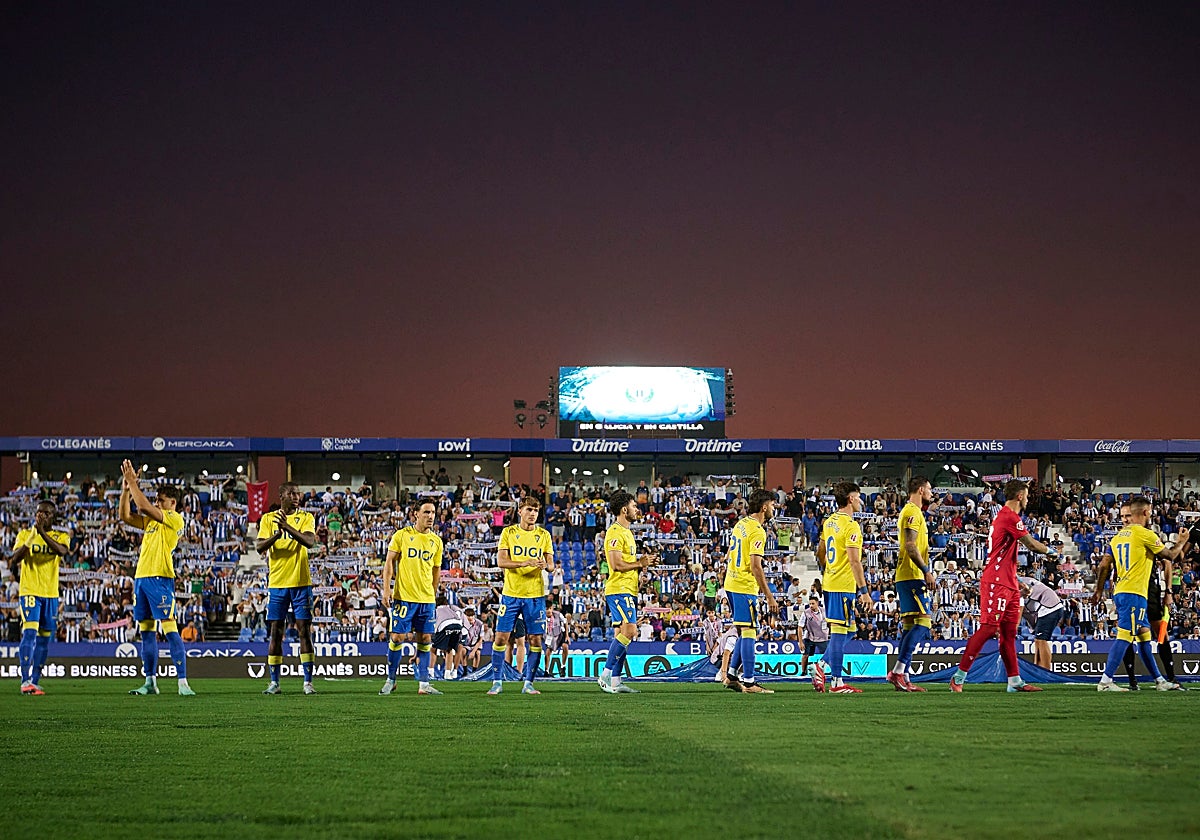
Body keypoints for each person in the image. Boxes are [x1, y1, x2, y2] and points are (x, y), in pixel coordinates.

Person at [950, 479, 1058, 693]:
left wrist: (1017, 582)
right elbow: (1030, 543)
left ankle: (1014, 681)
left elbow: (1004, 555)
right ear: (1019, 496)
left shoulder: (1006, 517)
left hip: (1008, 583)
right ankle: (959, 676)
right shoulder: (1009, 516)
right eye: (1026, 495)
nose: (1028, 499)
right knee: (989, 628)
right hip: (995, 582)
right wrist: (1051, 552)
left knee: (1009, 634)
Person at [1092, 496, 1188, 692]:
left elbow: (1104, 565)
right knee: (1125, 636)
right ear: (1145, 512)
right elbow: (1169, 556)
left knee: (1144, 637)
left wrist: (1099, 589)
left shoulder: (1118, 536)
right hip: (1134, 593)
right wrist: (1181, 542)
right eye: (1150, 511)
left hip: (1122, 591)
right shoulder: (1145, 534)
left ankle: (1160, 680)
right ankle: (1106, 681)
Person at [120, 461, 194, 696]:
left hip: (161, 577)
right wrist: (125, 490)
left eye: (160, 500)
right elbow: (125, 516)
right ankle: (150, 682)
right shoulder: (152, 521)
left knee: (170, 629)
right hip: (141, 577)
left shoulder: (175, 518)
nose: (156, 503)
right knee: (147, 632)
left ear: (172, 502)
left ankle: (183, 682)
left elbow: (141, 505)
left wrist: (133, 482)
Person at [256, 482, 318, 695]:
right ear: (281, 495)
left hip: (301, 583)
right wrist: (277, 534)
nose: (296, 496)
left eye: (297, 493)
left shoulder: (306, 517)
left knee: (304, 632)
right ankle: (274, 682)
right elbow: (259, 547)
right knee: (276, 632)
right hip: (277, 584)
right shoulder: (267, 519)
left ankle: (307, 683)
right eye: (291, 493)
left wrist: (288, 528)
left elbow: (310, 542)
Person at [488, 496, 554, 695]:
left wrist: (546, 566)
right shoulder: (509, 532)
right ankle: (497, 682)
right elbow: (501, 561)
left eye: (535, 510)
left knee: (535, 640)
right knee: (501, 638)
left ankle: (528, 683)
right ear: (520, 511)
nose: (532, 513)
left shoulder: (543, 535)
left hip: (535, 595)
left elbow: (551, 564)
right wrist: (523, 562)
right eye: (529, 509)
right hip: (511, 594)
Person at [379, 500, 444, 696]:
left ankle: (424, 684)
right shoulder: (402, 536)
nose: (430, 516)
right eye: (426, 512)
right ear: (415, 513)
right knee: (397, 637)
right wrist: (386, 589)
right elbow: (389, 562)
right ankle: (391, 679)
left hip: (426, 600)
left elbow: (436, 569)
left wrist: (433, 593)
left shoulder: (436, 541)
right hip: (404, 596)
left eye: (432, 512)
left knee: (425, 638)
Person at [597, 490, 659, 694]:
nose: (636, 509)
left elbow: (628, 564)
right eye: (633, 506)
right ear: (624, 509)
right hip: (619, 590)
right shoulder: (615, 532)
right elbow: (615, 564)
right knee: (631, 631)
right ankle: (605, 674)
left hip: (628, 589)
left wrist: (641, 569)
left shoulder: (627, 533)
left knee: (621, 634)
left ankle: (615, 681)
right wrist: (639, 562)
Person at [816, 482, 872, 694]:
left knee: (850, 630)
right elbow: (854, 561)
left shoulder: (830, 521)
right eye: (858, 497)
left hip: (831, 582)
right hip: (843, 585)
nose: (860, 501)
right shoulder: (851, 525)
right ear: (850, 499)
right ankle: (836, 683)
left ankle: (821, 665)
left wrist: (828, 570)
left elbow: (820, 551)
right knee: (839, 632)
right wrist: (865, 591)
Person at [721, 488, 779, 694]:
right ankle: (750, 682)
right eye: (772, 505)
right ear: (764, 507)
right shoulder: (757, 530)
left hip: (731, 582)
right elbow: (756, 566)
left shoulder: (741, 524)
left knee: (742, 630)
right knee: (749, 632)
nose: (774, 508)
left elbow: (731, 552)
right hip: (744, 586)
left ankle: (731, 675)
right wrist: (770, 596)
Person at [12, 500, 70, 695]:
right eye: (38, 512)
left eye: (45, 513)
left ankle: (34, 682)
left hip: (51, 593)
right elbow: (15, 559)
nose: (40, 516)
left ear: (52, 515)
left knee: (45, 639)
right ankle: (25, 680)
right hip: (30, 591)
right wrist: (32, 537)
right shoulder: (24, 534)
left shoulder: (61, 536)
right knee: (29, 633)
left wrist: (42, 534)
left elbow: (61, 551)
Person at [888, 476, 936, 692]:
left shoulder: (913, 512)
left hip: (906, 575)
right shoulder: (912, 512)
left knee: (909, 625)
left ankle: (903, 676)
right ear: (920, 489)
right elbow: (910, 545)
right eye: (929, 489)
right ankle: (898, 670)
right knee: (924, 622)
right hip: (912, 575)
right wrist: (926, 571)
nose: (931, 493)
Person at [1017, 575, 1063, 670]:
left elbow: (1019, 611)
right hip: (1048, 607)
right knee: (1038, 640)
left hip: (1049, 608)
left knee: (1041, 640)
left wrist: (1014, 628)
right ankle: (1038, 669)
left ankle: (1046, 672)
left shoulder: (1017, 586)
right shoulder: (1021, 580)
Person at [799, 595, 829, 690]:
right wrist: (800, 641)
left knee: (828, 655)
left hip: (823, 637)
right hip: (809, 637)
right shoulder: (806, 613)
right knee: (805, 655)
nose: (811, 605)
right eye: (810, 604)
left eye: (813, 603)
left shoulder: (825, 611)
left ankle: (829, 673)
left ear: (817, 603)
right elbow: (800, 627)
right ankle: (803, 673)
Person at [431, 595, 464, 679]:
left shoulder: (436, 610)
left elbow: (433, 623)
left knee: (433, 648)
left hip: (445, 625)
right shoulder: (451, 608)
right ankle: (447, 674)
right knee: (449, 649)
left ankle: (430, 672)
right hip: (458, 625)